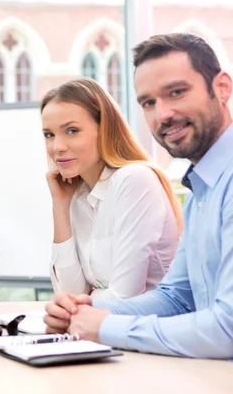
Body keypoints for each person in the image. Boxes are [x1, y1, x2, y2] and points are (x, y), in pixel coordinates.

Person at [44, 33, 233, 359]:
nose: (163, 115)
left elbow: (227, 328)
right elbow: (176, 298)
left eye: (177, 92)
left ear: (223, 88)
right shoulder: (202, 186)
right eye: (148, 102)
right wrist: (84, 311)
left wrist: (102, 325)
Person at [41, 78, 182, 301]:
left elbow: (124, 299)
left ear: (105, 129)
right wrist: (60, 205)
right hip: (101, 331)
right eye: (49, 134)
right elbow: (69, 295)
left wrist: (89, 297)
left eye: (72, 131)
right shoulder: (77, 195)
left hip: (149, 330)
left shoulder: (134, 180)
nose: (57, 147)